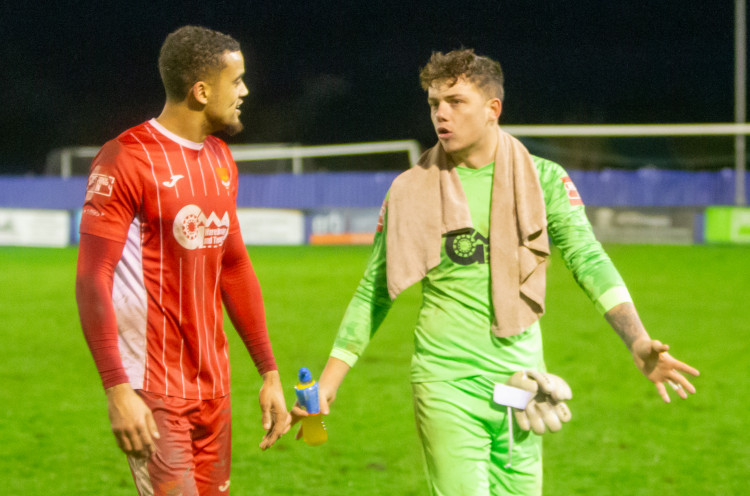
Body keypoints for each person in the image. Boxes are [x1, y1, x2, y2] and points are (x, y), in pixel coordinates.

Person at [292, 49, 700, 496]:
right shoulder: (410, 189)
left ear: (493, 110)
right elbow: (376, 289)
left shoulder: (544, 179)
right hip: (445, 380)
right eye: (434, 104)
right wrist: (329, 382)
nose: (441, 115)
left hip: (522, 383)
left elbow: (588, 258)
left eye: (455, 102)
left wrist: (638, 339)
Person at [75, 25, 290, 495]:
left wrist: (269, 372)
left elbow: (233, 267)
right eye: (236, 81)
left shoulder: (219, 158)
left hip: (213, 389)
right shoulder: (125, 159)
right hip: (152, 391)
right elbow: (93, 277)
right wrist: (117, 390)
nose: (245, 91)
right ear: (200, 90)